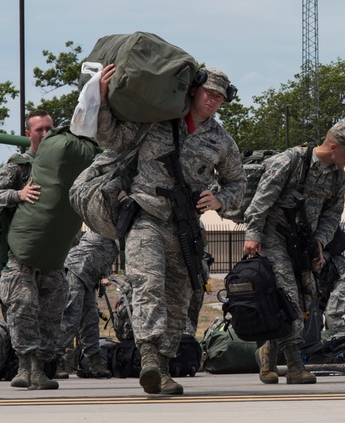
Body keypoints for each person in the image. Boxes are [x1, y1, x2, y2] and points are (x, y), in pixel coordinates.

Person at [97, 65, 245, 395]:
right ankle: (148, 355)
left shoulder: (220, 140)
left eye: (220, 98)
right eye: (209, 93)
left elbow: (238, 181)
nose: (213, 101)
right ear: (194, 90)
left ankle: (162, 367)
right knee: (147, 283)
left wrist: (220, 200)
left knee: (180, 296)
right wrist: (103, 99)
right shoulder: (157, 119)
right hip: (146, 217)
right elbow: (113, 138)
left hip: (186, 227)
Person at [243, 120, 345, 385]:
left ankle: (268, 354)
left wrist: (320, 242)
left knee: (306, 301)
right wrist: (252, 234)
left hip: (302, 242)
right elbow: (261, 200)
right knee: (289, 297)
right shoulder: (290, 161)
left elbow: (332, 215)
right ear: (333, 147)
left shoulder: (337, 176)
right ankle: (295, 366)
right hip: (273, 236)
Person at [0, 109, 62, 390]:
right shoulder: (19, 165)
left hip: (52, 253)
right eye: (39, 130)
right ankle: (27, 367)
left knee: (51, 312)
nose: (45, 134)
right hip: (19, 254)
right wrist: (19, 195)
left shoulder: (62, 163)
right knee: (23, 306)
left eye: (49, 128)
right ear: (28, 134)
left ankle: (39, 366)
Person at [56, 231, 118, 379]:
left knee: (90, 320)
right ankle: (53, 360)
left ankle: (95, 362)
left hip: (89, 277)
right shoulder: (106, 228)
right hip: (76, 272)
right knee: (71, 318)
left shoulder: (118, 234)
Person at [317, 226, 345, 334]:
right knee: (315, 315)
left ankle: (340, 345)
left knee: (332, 314)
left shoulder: (319, 258)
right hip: (327, 279)